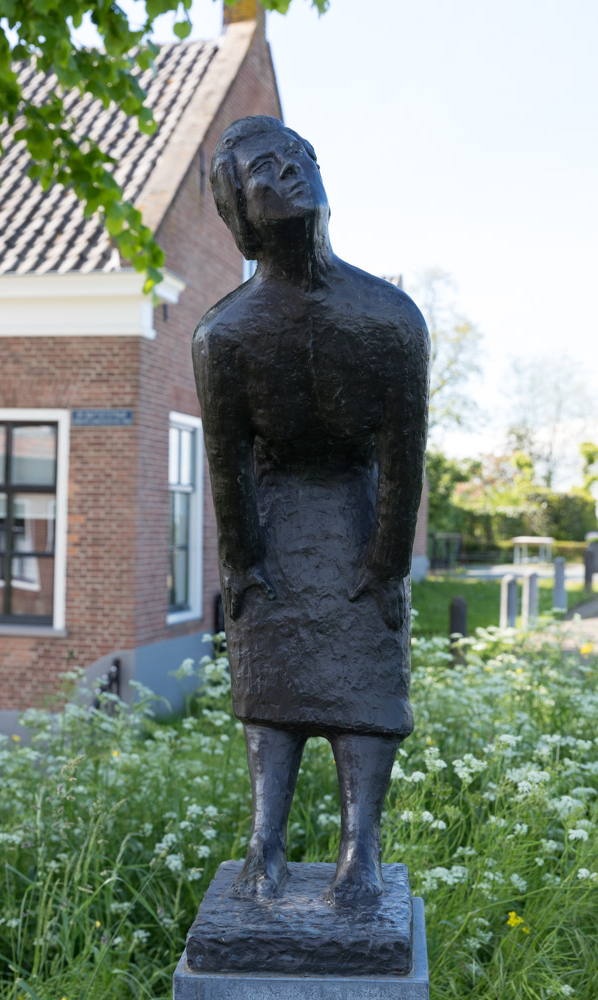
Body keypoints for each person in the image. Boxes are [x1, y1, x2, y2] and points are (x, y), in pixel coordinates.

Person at [193, 116, 430, 903]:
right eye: (266, 166)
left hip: (358, 515)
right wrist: (244, 568)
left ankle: (358, 846)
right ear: (239, 210)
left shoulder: (390, 320)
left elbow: (403, 459)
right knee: (271, 669)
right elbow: (224, 462)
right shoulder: (223, 335)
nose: (291, 168)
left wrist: (386, 567)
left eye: (301, 156)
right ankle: (265, 838)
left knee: (366, 673)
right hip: (273, 512)